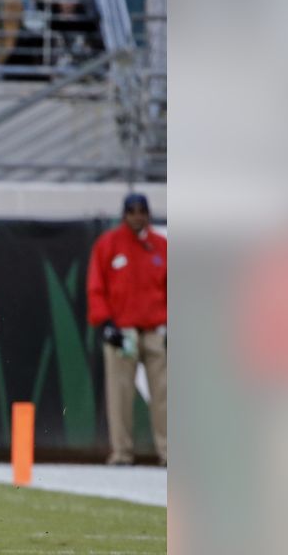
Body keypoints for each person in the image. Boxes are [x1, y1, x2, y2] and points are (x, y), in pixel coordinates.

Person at [87, 193, 167, 466]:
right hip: (123, 331)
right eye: (132, 211)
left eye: (142, 210)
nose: (137, 215)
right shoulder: (109, 245)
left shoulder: (161, 246)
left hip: (156, 330)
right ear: (124, 214)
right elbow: (96, 288)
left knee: (165, 394)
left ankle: (168, 451)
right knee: (119, 394)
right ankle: (122, 452)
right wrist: (106, 323)